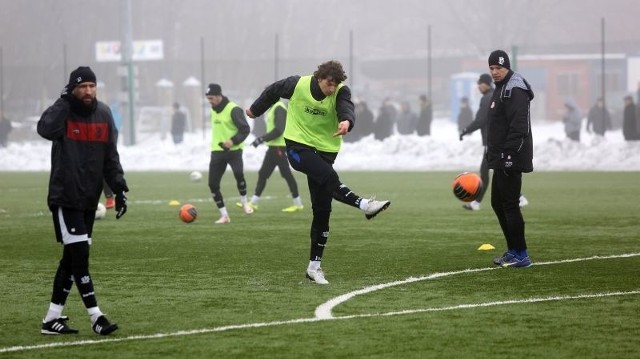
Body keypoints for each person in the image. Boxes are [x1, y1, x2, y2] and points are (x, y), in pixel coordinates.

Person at [245, 60, 391, 284]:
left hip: (325, 150)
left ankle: (314, 268)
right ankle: (364, 205)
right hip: (297, 146)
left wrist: (346, 121)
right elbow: (273, 90)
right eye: (329, 84)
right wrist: (255, 109)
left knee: (322, 211)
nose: (332, 89)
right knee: (329, 177)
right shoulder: (297, 84)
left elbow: (346, 108)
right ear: (319, 78)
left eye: (335, 85)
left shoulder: (341, 91)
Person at [37, 66, 127, 335]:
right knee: (80, 257)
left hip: (89, 199)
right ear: (72, 89)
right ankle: (96, 317)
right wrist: (63, 101)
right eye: (82, 87)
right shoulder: (63, 112)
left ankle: (51, 319)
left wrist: (119, 189)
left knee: (71, 259)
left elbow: (110, 156)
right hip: (66, 197)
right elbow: (44, 128)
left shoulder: (104, 114)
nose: (88, 91)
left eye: (92, 86)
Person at [485, 50, 534, 268]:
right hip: (501, 157)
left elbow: (519, 126)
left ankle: (521, 254)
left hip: (510, 157)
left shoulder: (515, 88)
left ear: (507, 67)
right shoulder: (501, 88)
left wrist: (508, 154)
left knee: (510, 205)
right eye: (492, 68)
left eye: (499, 68)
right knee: (498, 203)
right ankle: (513, 250)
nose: (495, 72)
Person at [241, 100, 304, 212]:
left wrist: (261, 139)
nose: (265, 98)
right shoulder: (273, 108)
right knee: (264, 174)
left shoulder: (278, 108)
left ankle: (298, 204)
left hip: (278, 147)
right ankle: (254, 203)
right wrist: (262, 139)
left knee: (286, 175)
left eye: (267, 95)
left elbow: (279, 130)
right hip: (273, 147)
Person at [205, 83, 253, 224]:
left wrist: (232, 141)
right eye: (208, 98)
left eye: (212, 98)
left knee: (239, 174)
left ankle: (244, 203)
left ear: (219, 96)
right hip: (217, 152)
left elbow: (245, 129)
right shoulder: (212, 109)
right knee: (212, 184)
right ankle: (224, 215)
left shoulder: (233, 109)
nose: (210, 101)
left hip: (234, 151)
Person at [459, 74, 494, 211]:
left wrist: (466, 130)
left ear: (486, 84)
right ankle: (476, 203)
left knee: (485, 173)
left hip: (492, 141)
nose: (479, 86)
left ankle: (476, 203)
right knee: (497, 172)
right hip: (495, 140)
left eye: (480, 84)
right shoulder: (493, 96)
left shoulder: (487, 98)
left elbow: (480, 120)